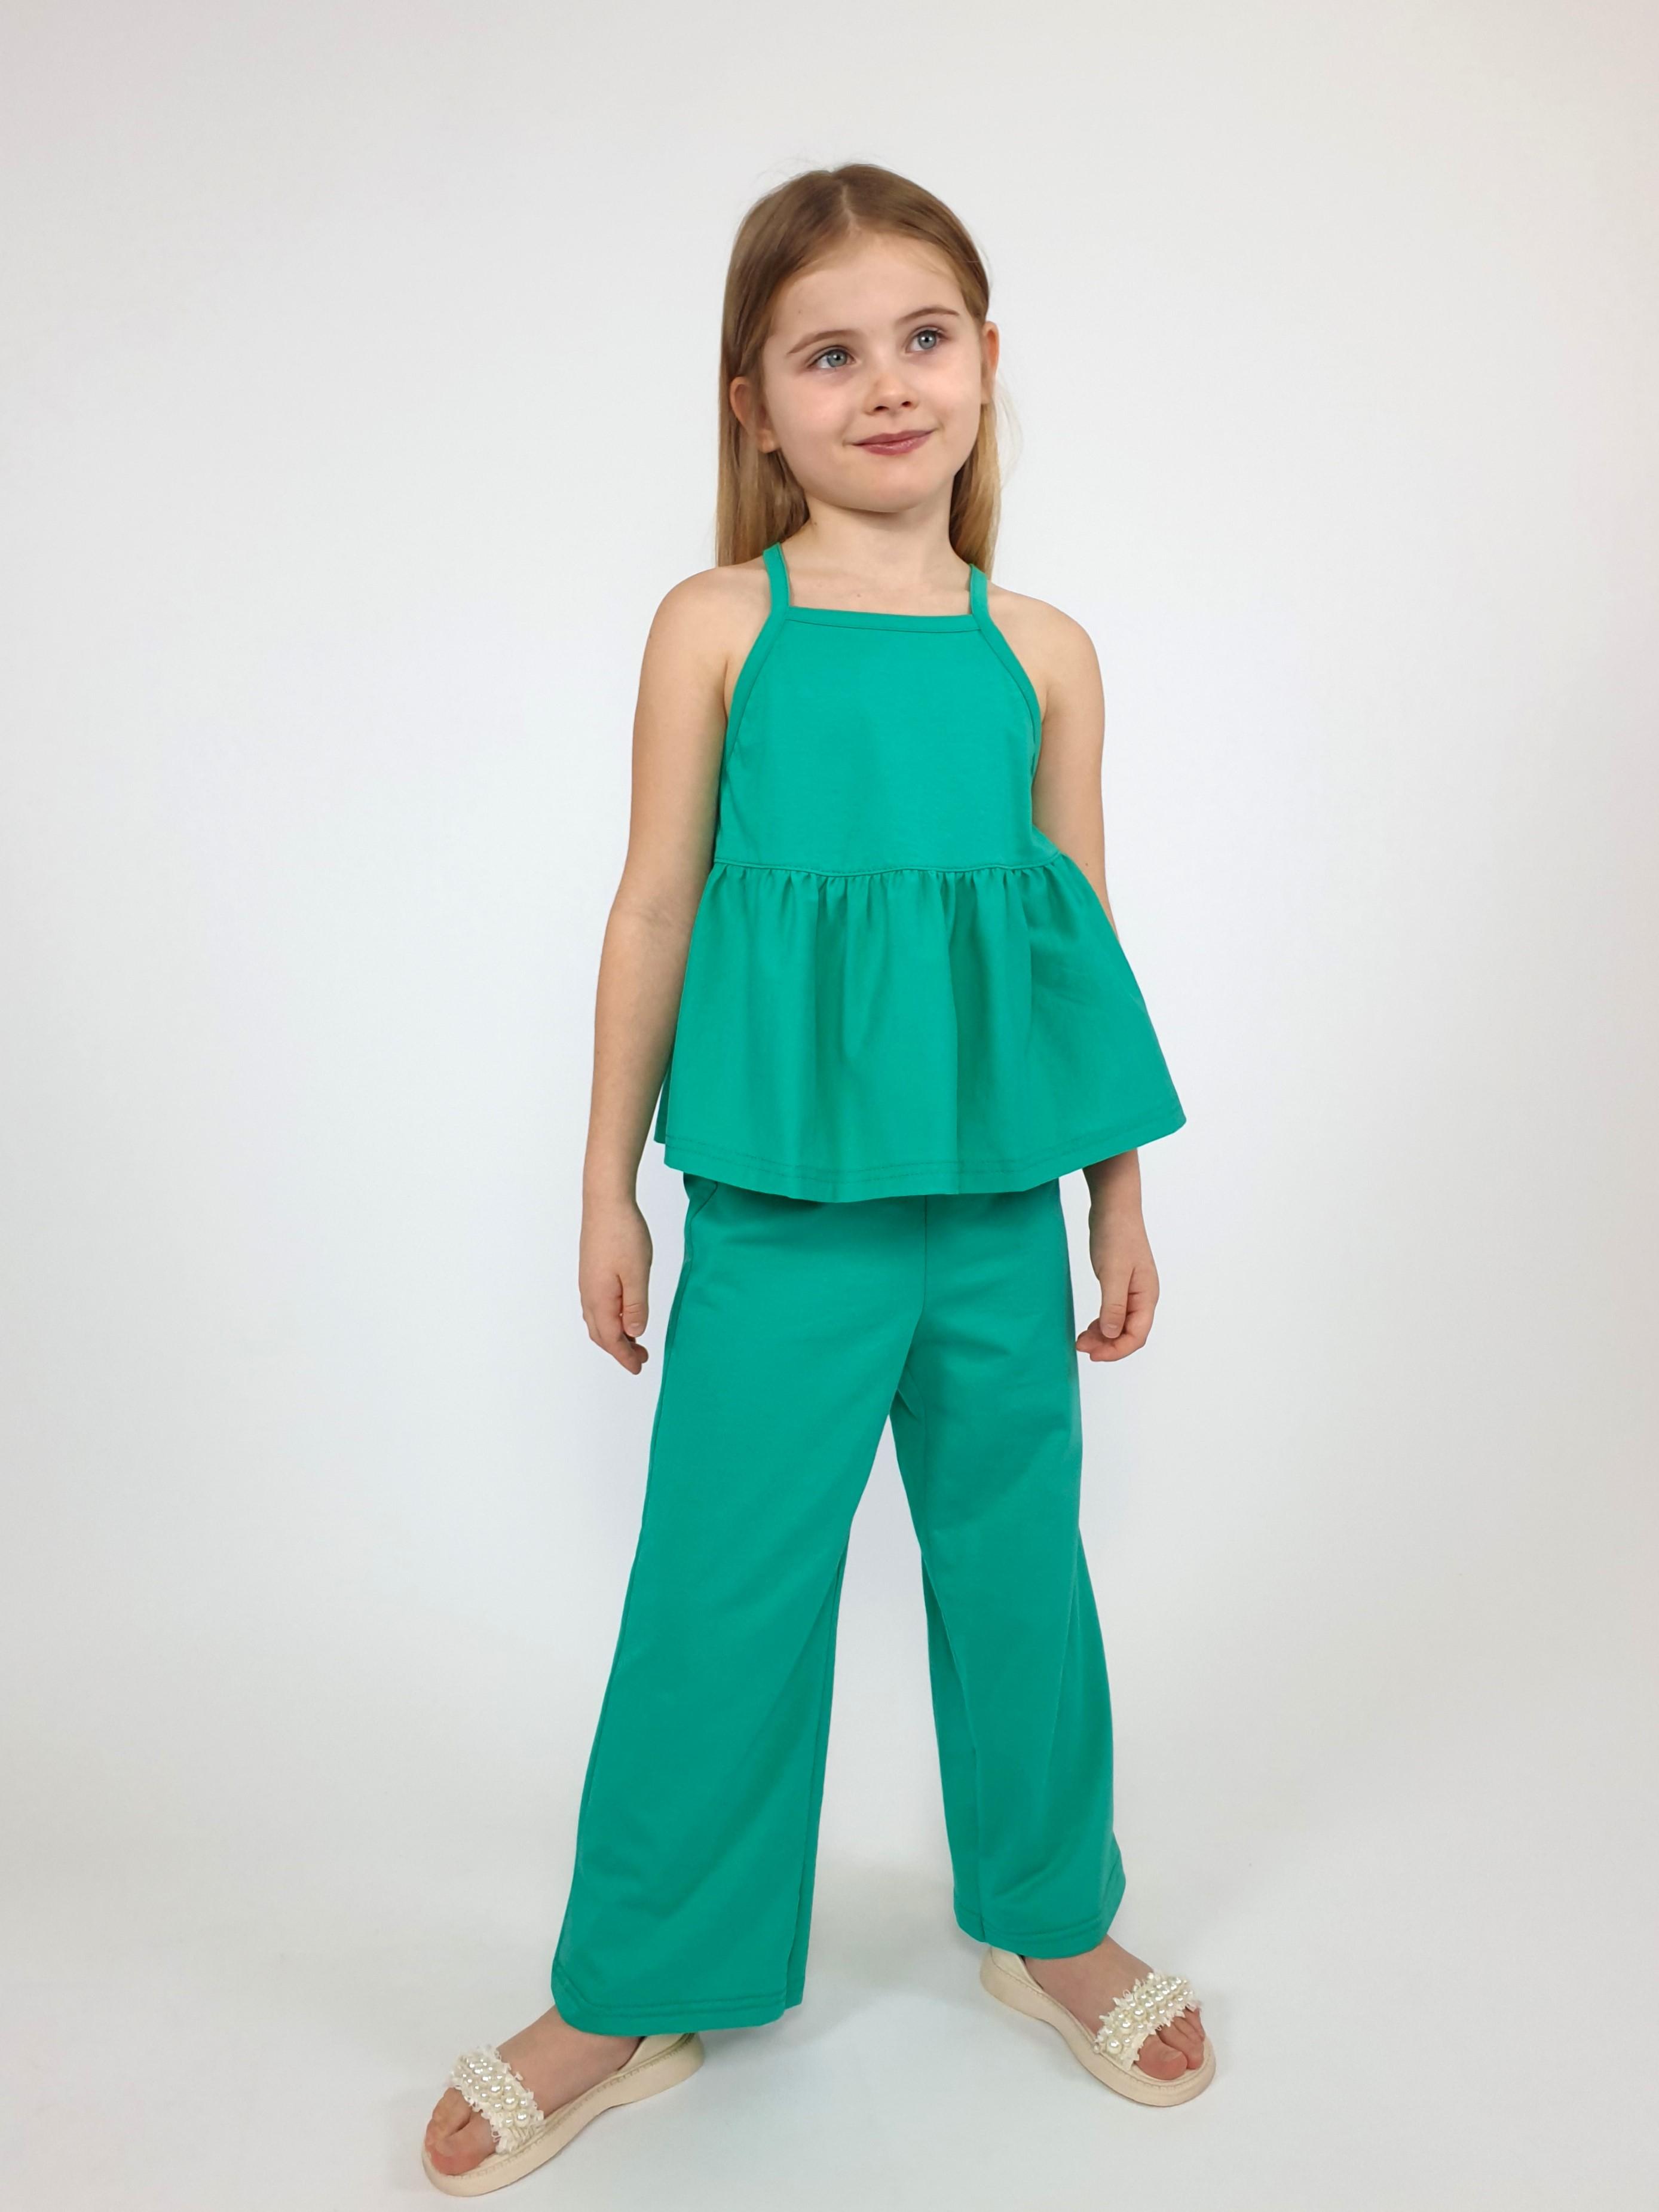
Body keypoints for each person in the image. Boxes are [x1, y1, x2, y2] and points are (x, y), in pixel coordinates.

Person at [422, 160, 1214, 2196]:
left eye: (923, 339)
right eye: (831, 354)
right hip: (777, 1213)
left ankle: (1050, 1919)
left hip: (996, 1213)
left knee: (1018, 1573)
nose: (888, 386)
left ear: (988, 364)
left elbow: (1073, 945)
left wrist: (1120, 1199)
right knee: (721, 1588)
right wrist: (605, 1188)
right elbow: (653, 906)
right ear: (754, 405)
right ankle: (638, 1981)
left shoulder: (1045, 651)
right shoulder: (718, 627)